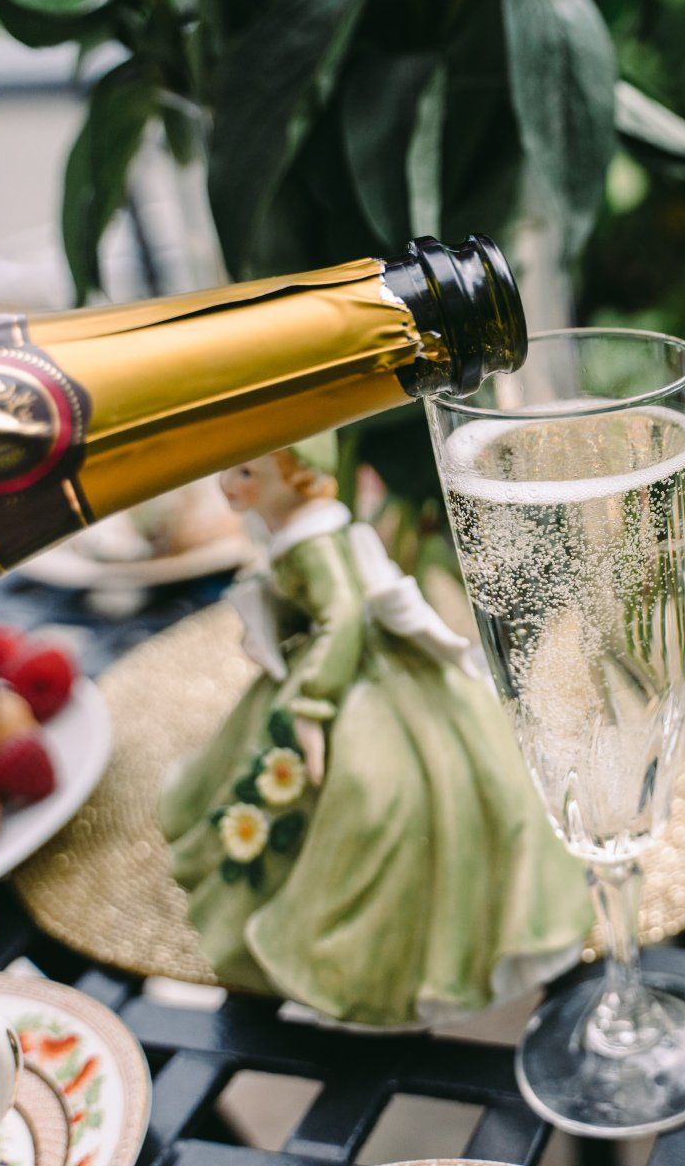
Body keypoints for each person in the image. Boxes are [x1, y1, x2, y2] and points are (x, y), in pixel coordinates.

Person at [158, 436, 591, 1027]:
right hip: (338, 662)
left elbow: (341, 619)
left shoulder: (313, 540)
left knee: (369, 789)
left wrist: (313, 703)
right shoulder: (295, 529)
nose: (227, 486)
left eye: (247, 473)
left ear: (296, 477)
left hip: (348, 670)